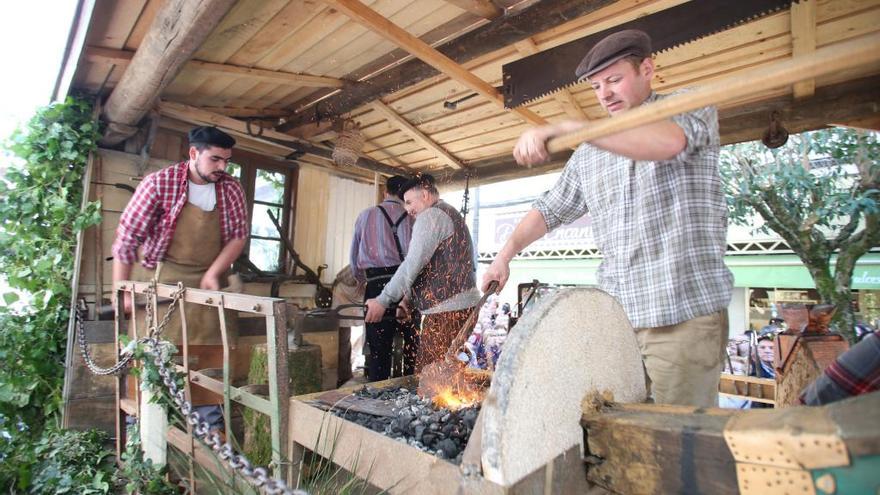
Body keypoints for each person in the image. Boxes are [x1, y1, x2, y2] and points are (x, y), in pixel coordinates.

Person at [481, 29, 733, 408]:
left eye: (615, 80)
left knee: (681, 444)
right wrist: (504, 255)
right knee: (619, 436)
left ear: (647, 69)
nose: (604, 94)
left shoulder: (688, 106)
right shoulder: (590, 154)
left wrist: (574, 128)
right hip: (619, 324)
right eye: (597, 86)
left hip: (681, 318)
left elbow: (667, 144)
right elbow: (549, 209)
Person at [112, 126, 248, 427]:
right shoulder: (160, 184)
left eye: (227, 161)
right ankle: (144, 439)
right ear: (193, 154)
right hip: (160, 283)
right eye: (215, 159)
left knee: (210, 362)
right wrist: (122, 291)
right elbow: (127, 238)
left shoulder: (231, 188)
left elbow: (238, 236)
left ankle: (209, 443)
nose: (222, 167)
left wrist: (214, 272)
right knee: (153, 364)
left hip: (208, 288)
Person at [364, 174, 480, 372]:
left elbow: (412, 264)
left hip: (448, 311)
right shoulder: (447, 213)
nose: (408, 210)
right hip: (460, 307)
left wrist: (383, 300)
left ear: (425, 195)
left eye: (409, 202)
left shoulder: (431, 216)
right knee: (440, 373)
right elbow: (427, 265)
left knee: (428, 377)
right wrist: (407, 300)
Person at [350, 175, 418, 381]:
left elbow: (354, 260)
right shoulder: (413, 218)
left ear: (385, 191)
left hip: (375, 286)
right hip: (407, 285)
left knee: (379, 350)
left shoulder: (365, 216)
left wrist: (363, 282)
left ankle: (378, 395)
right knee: (411, 345)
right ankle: (411, 388)